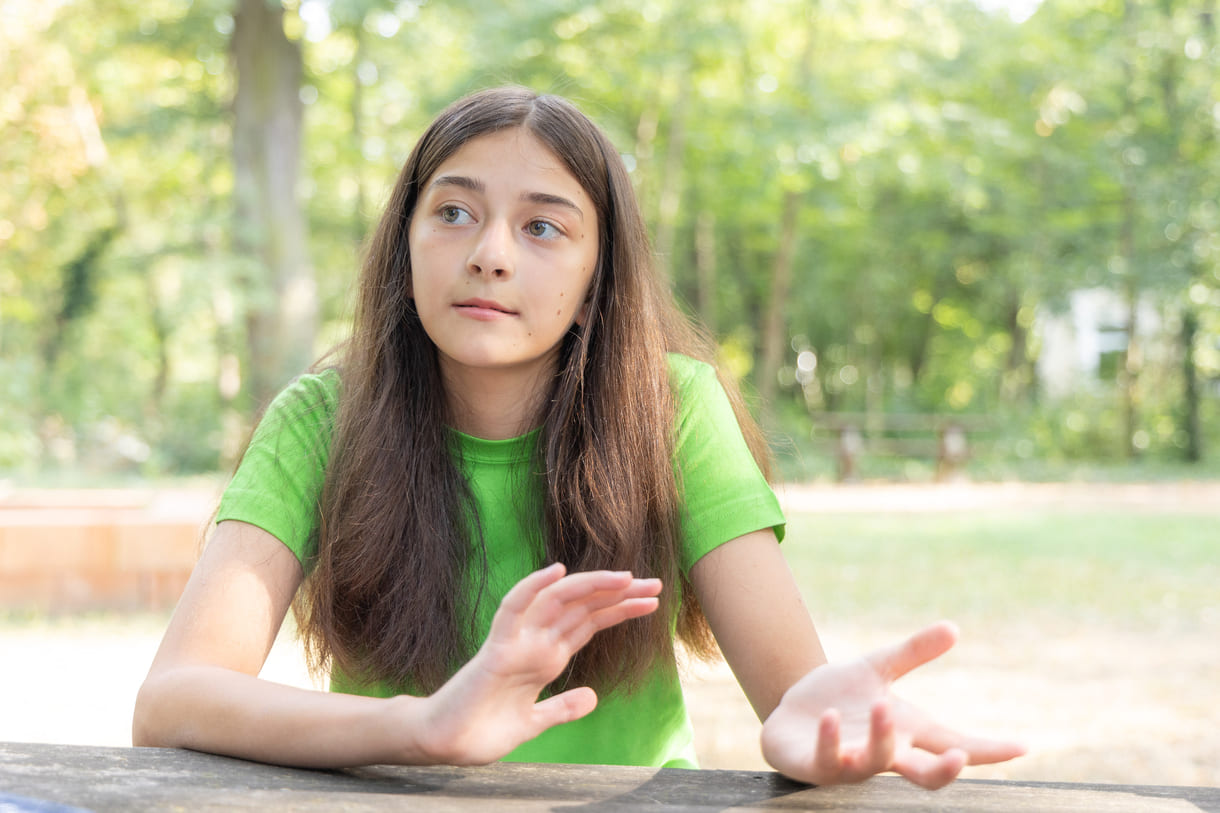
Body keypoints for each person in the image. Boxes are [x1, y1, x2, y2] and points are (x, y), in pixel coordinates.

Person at [133, 86, 1024, 788]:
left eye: (543, 227)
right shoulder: (319, 418)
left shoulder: (675, 407)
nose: (490, 252)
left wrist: (805, 731)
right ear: (404, 247)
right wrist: (426, 726)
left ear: (600, 280)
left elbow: (795, 700)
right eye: (452, 212)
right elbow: (173, 700)